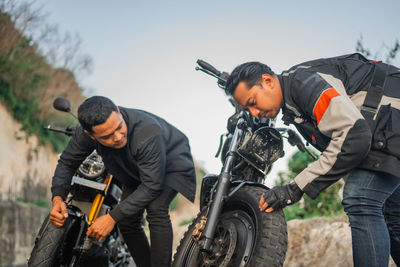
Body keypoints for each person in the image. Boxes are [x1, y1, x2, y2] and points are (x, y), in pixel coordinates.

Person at [224, 53, 400, 267]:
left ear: (267, 81)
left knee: (361, 198)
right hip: (385, 125)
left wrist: (294, 188)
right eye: (247, 109)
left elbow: (354, 135)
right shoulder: (293, 102)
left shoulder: (301, 83)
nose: (254, 112)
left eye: (252, 102)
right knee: (392, 216)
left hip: (389, 117)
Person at [49, 96, 196, 267]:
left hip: (171, 162)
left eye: (119, 127)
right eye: (107, 136)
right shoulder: (85, 134)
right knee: (126, 220)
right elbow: (67, 162)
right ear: (90, 135)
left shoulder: (147, 132)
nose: (118, 137)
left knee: (156, 209)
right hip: (135, 168)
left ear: (118, 111)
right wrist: (58, 197)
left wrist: (111, 218)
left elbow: (151, 186)